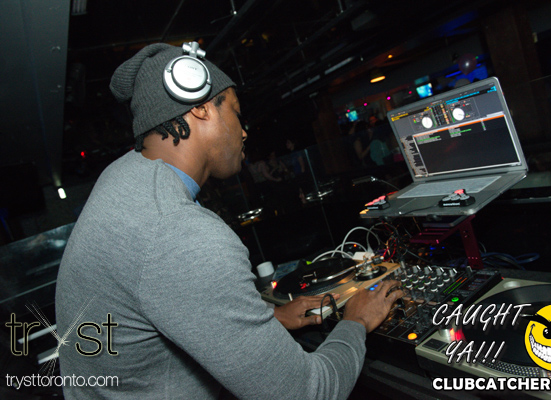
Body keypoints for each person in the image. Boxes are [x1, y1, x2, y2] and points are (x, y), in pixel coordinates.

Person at [55, 42, 401, 399]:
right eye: (236, 112)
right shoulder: (181, 233)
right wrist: (356, 321)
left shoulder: (121, 178)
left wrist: (269, 320)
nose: (244, 131)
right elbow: (306, 392)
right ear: (201, 107)